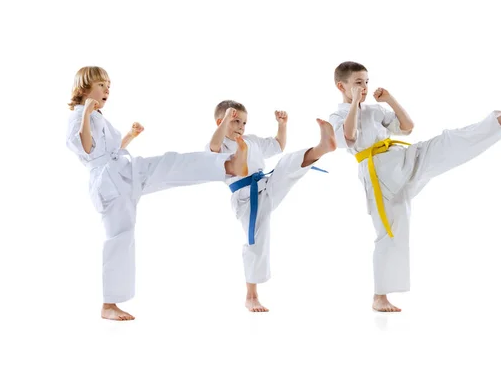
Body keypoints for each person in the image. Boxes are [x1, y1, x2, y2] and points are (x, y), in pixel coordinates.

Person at [328, 61, 501, 312]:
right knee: (391, 232)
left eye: (366, 82)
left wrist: (390, 99)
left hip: (402, 158)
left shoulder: (375, 111)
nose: (364, 87)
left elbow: (408, 127)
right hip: (379, 177)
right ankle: (380, 296)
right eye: (358, 83)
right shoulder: (336, 116)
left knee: (447, 141)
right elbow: (349, 137)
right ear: (341, 86)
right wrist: (355, 104)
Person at [65, 66, 248, 321]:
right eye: (101, 85)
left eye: (109, 86)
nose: (107, 90)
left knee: (166, 164)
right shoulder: (78, 117)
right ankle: (109, 304)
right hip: (108, 184)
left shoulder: (98, 117)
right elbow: (86, 149)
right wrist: (85, 112)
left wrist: (130, 135)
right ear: (84, 87)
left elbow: (111, 149)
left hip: (123, 169)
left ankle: (225, 165)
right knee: (121, 236)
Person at [207, 100, 336, 312]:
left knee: (286, 165)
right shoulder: (219, 144)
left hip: (266, 184)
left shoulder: (252, 141)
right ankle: (251, 295)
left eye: (244, 122)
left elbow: (278, 145)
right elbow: (213, 147)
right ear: (221, 122)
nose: (241, 126)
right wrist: (223, 126)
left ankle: (321, 148)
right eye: (235, 121)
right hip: (245, 197)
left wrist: (282, 125)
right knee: (258, 237)